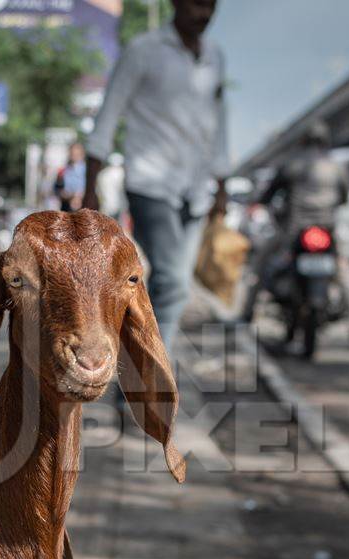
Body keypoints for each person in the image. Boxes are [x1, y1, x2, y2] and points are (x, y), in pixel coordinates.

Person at [82, 0, 229, 353]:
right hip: (150, 184)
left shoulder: (214, 56)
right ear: (175, 3)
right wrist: (91, 188)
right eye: (196, 4)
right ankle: (152, 382)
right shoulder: (143, 50)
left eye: (211, 5)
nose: (204, 14)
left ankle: (135, 376)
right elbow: (108, 114)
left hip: (195, 189)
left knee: (167, 289)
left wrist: (222, 183)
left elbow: (218, 123)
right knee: (173, 283)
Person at [250, 121, 349, 352]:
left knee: (262, 265)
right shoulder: (337, 167)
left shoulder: (291, 164)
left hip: (294, 231)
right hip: (327, 230)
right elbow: (345, 197)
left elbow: (268, 195)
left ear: (303, 141)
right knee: (345, 274)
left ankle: (246, 316)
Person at [53, 142, 88, 212]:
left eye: (77, 154)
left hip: (83, 207)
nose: (74, 156)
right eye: (72, 154)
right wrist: (65, 195)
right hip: (66, 206)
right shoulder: (64, 170)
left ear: (82, 155)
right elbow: (56, 189)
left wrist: (78, 196)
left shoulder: (87, 171)